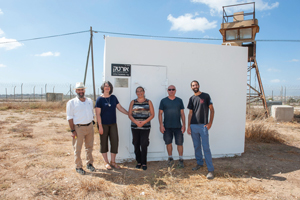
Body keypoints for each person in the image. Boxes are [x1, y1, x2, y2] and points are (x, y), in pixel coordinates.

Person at [95, 81, 128, 170]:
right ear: (103, 88)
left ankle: (113, 162)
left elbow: (120, 107)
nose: (107, 87)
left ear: (110, 88)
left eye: (108, 86)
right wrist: (100, 126)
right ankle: (106, 162)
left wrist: (128, 113)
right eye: (105, 86)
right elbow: (98, 114)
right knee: (104, 143)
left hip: (113, 124)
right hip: (103, 125)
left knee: (114, 142)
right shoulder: (99, 99)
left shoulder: (113, 98)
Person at [187, 80, 215, 179]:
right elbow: (190, 113)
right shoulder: (191, 98)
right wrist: (188, 126)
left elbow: (212, 110)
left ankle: (210, 170)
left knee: (206, 148)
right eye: (193, 85)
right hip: (193, 126)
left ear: (198, 85)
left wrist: (210, 123)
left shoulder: (206, 96)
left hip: (203, 126)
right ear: (191, 88)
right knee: (197, 146)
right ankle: (199, 163)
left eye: (196, 85)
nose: (195, 86)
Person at [66, 82, 96, 175]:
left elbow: (92, 112)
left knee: (89, 147)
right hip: (78, 128)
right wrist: (73, 130)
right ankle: (78, 166)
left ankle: (89, 164)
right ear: (76, 91)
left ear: (84, 90)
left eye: (82, 89)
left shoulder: (89, 101)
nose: (81, 91)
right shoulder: (71, 103)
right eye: (79, 90)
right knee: (77, 148)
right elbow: (70, 117)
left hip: (89, 127)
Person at [159, 85, 186, 168]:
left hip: (178, 126)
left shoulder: (179, 100)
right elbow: (160, 113)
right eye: (169, 89)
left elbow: (182, 113)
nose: (171, 91)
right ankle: (170, 158)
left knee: (180, 143)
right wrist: (161, 125)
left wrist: (184, 125)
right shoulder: (163, 101)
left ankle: (181, 159)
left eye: (173, 89)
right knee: (168, 143)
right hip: (167, 127)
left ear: (175, 90)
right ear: (167, 91)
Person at [128, 86, 155, 170]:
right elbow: (129, 114)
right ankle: (138, 162)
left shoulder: (149, 102)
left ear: (144, 92)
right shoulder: (133, 102)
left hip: (145, 127)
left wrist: (144, 122)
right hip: (135, 127)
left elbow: (152, 114)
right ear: (136, 93)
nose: (139, 93)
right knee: (136, 144)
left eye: (141, 91)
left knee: (144, 144)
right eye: (138, 91)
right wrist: (136, 122)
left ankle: (144, 162)